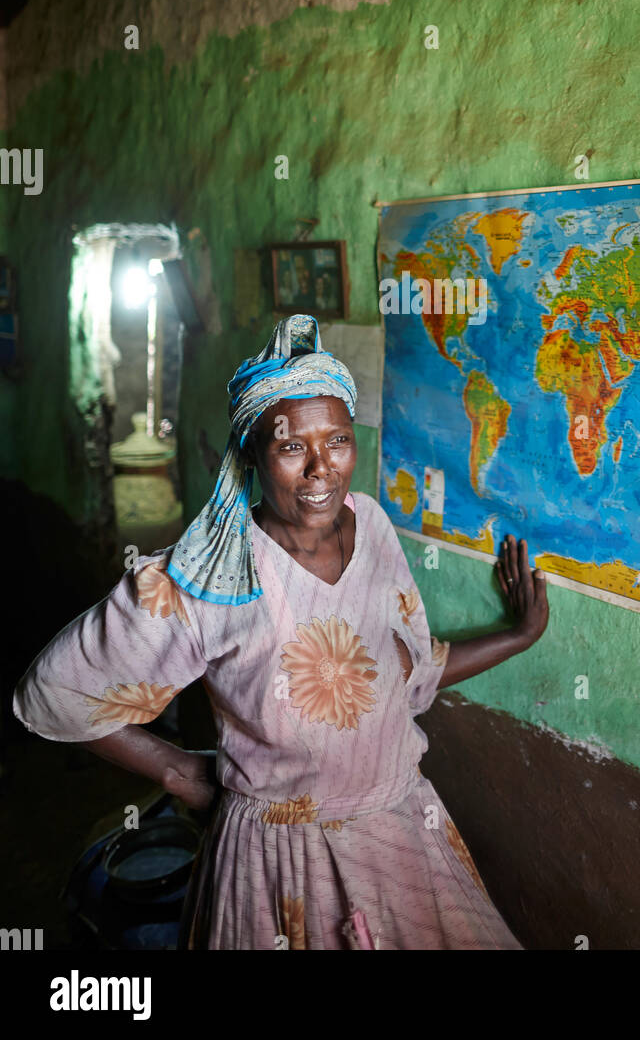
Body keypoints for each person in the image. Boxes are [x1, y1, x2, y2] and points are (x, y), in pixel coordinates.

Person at [13, 314, 549, 950]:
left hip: (402, 834)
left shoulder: (371, 524)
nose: (322, 469)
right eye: (292, 446)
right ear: (250, 455)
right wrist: (179, 770)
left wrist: (520, 634)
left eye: (339, 440)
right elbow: (56, 692)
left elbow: (406, 674)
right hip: (278, 864)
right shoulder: (211, 572)